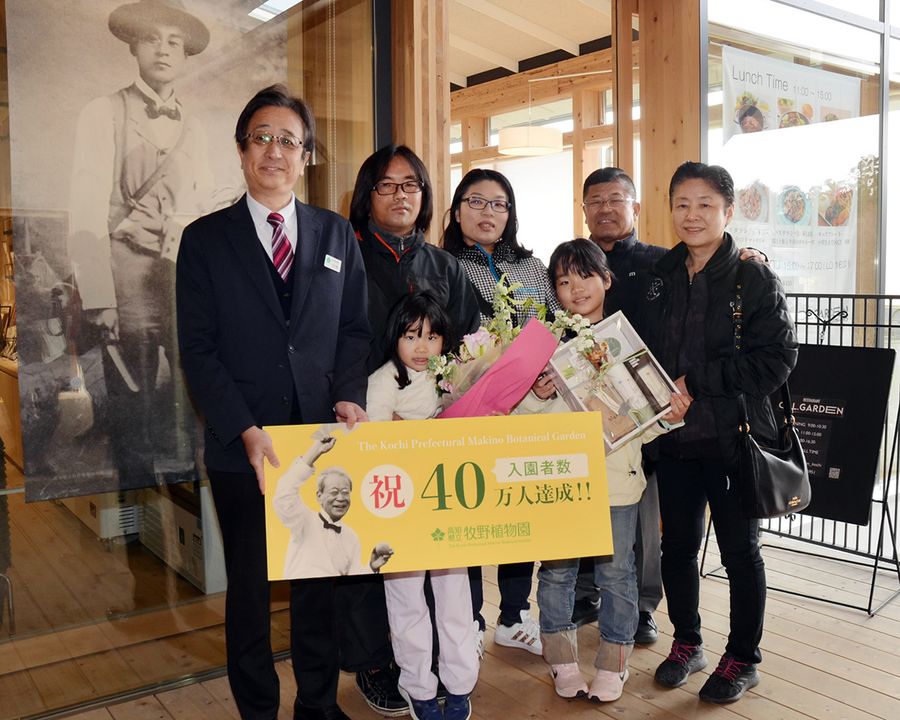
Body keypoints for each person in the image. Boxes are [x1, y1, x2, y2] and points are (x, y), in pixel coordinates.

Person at [176, 84, 370, 720]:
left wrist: (347, 397)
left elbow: (353, 331)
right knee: (251, 593)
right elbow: (198, 350)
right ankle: (257, 710)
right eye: (261, 137)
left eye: (289, 140)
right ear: (241, 150)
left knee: (318, 586)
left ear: (306, 156)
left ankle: (317, 704)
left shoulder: (337, 233)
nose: (274, 150)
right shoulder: (204, 240)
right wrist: (244, 429)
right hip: (244, 448)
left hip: (319, 442)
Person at [638, 161, 797, 704]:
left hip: (733, 438)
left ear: (728, 211)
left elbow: (776, 360)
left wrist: (695, 381)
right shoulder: (660, 274)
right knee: (677, 548)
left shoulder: (751, 277)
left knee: (739, 553)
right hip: (674, 439)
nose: (692, 214)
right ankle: (687, 642)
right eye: (682, 203)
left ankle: (743, 657)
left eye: (706, 203)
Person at [342, 145, 481, 716]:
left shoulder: (446, 265)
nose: (401, 196)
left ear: (425, 198)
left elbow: (473, 344)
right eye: (387, 185)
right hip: (364, 427)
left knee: (446, 558)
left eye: (412, 186)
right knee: (377, 551)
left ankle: (455, 662)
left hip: (436, 436)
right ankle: (378, 659)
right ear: (366, 196)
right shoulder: (345, 255)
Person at [522, 239, 689, 703]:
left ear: (606, 280)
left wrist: (668, 415)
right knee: (556, 574)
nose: (575, 288)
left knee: (617, 573)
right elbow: (517, 423)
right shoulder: (545, 347)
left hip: (616, 481)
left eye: (585, 276)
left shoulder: (626, 344)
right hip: (559, 479)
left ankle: (613, 663)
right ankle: (560, 659)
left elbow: (642, 427)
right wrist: (537, 394)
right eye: (563, 280)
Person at [68, 0, 217, 486]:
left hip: (180, 276)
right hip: (124, 274)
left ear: (186, 55)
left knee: (192, 391)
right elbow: (85, 207)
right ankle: (138, 515)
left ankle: (197, 504)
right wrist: (98, 297)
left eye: (174, 41)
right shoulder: (103, 111)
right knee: (131, 400)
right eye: (152, 38)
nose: (163, 49)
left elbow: (203, 206)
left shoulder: (195, 125)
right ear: (134, 46)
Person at [442, 168, 558, 658]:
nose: (488, 212)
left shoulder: (533, 267)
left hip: (528, 408)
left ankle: (514, 615)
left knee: (516, 516)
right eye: (477, 201)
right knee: (469, 516)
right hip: (464, 407)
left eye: (499, 204)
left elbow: (554, 327)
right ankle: (467, 617)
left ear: (510, 214)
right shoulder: (441, 263)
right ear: (456, 210)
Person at [368, 292, 478, 720]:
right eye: (411, 336)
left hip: (447, 504)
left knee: (454, 598)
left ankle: (460, 685)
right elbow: (371, 446)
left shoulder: (452, 377)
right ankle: (417, 686)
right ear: (395, 337)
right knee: (405, 600)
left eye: (431, 337)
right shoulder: (381, 381)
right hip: (397, 510)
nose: (421, 347)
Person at [578, 167, 667, 644]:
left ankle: (644, 606)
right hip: (583, 408)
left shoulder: (662, 262)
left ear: (635, 207)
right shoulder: (573, 262)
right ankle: (585, 593)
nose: (606, 208)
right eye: (596, 200)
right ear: (585, 209)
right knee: (588, 503)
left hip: (644, 407)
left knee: (641, 513)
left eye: (616, 199)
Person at [273, 436, 393, 578]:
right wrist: (312, 454)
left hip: (338, 595)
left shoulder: (351, 536)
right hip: (305, 592)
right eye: (334, 492)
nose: (341, 498)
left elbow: (353, 576)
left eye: (345, 492)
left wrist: (372, 566)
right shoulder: (303, 520)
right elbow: (284, 493)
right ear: (319, 496)